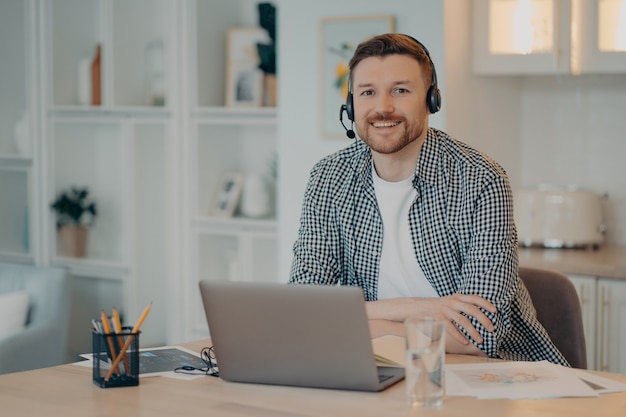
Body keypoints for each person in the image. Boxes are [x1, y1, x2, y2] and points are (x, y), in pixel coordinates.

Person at [289, 33, 568, 365]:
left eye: (400, 90)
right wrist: (414, 307)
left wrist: (356, 321)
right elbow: (302, 310)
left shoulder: (481, 180)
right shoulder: (329, 178)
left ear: (431, 100)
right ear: (351, 106)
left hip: (494, 374)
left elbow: (479, 334)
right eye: (367, 93)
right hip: (381, 367)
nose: (382, 107)